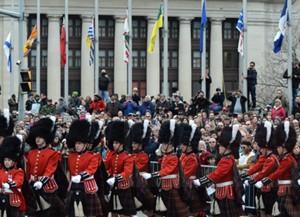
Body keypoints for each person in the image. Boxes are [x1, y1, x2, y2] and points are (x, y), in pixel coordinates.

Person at [193, 125, 243, 217]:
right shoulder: (226, 158)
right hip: (222, 191)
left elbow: (217, 174)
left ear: (227, 147)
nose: (218, 147)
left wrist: (201, 181)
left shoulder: (227, 160)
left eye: (220, 145)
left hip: (226, 193)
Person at [146, 120, 189, 217]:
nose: (163, 145)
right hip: (164, 186)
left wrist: (153, 175)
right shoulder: (166, 156)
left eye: (165, 144)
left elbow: (167, 170)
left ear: (170, 145)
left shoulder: (174, 157)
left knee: (176, 213)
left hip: (171, 187)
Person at [257, 121, 300, 216]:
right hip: (283, 190)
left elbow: (278, 172)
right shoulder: (284, 157)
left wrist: (266, 180)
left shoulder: (287, 159)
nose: (277, 149)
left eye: (279, 147)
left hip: (288, 190)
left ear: (283, 146)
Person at [25, 118, 66, 217]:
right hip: (32, 185)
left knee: (58, 209)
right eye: (36, 137)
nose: (37, 139)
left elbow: (50, 169)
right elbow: (28, 170)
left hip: (46, 186)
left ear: (46, 138)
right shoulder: (31, 153)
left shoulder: (53, 153)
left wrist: (42, 181)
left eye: (40, 137)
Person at [66, 119, 104, 217]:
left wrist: (81, 176)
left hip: (87, 188)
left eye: (79, 143)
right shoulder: (71, 156)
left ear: (85, 144)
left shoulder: (93, 156)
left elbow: (91, 170)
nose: (77, 146)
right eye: (76, 143)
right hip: (74, 187)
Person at [243, 121, 279, 217]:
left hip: (272, 188)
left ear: (266, 147)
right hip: (263, 187)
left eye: (261, 148)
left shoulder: (272, 158)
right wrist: (246, 174)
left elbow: (263, 172)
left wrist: (251, 181)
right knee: (261, 210)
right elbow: (258, 166)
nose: (260, 150)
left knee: (269, 212)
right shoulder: (265, 156)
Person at [104, 120, 136, 216]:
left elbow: (127, 172)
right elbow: (107, 167)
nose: (114, 145)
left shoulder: (127, 156)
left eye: (116, 143)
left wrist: (116, 178)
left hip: (124, 187)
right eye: (113, 142)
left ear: (122, 143)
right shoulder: (112, 154)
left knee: (124, 213)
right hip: (114, 187)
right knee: (113, 212)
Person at [179, 122, 207, 216]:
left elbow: (185, 173)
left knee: (195, 212)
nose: (181, 146)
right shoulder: (183, 155)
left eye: (183, 144)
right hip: (184, 185)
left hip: (190, 186)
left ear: (189, 146)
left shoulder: (192, 158)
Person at [128, 121, 155, 216]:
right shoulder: (131, 155)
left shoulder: (144, 156)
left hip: (141, 183)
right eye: (133, 143)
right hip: (132, 182)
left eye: (135, 143)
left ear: (140, 144)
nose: (132, 145)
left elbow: (136, 169)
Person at [0, 136, 26, 217]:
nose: (6, 162)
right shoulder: (1, 171)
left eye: (9, 160)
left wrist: (11, 183)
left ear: (14, 161)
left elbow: (19, 181)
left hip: (13, 198)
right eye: (5, 160)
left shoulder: (18, 171)